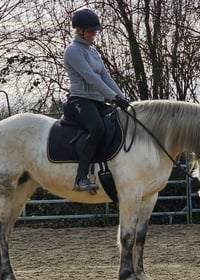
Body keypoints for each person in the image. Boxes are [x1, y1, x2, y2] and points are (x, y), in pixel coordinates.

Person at [63, 8, 130, 193]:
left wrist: (123, 98)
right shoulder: (73, 51)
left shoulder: (93, 53)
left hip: (97, 102)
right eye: (91, 31)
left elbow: (106, 77)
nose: (94, 34)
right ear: (79, 31)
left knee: (117, 122)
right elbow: (91, 78)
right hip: (79, 101)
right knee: (97, 129)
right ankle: (81, 178)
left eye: (95, 31)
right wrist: (113, 97)